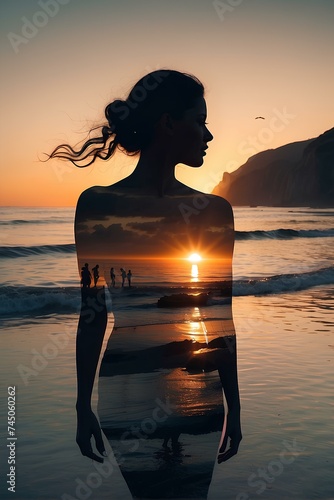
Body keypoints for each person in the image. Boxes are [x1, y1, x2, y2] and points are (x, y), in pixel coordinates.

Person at [48, 69, 241, 499]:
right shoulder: (96, 203)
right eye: (200, 120)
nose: (208, 134)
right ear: (168, 123)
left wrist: (234, 405)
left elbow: (219, 318)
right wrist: (82, 407)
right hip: (126, 390)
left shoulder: (213, 210)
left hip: (197, 386)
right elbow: (93, 313)